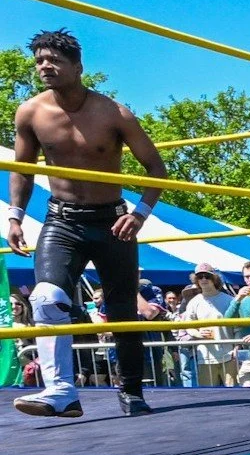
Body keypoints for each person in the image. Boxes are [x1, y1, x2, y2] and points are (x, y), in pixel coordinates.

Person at [6, 28, 167, 417]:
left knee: (123, 309)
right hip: (61, 219)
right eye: (40, 61)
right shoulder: (31, 111)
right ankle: (61, 391)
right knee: (45, 297)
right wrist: (14, 216)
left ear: (78, 67)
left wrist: (138, 215)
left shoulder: (114, 113)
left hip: (113, 220)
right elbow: (22, 170)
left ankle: (131, 391)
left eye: (55, 60)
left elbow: (155, 169)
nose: (45, 67)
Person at [183, 264, 238, 386]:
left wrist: (237, 347)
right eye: (199, 277)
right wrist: (198, 333)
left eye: (207, 276)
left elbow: (238, 327)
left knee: (234, 393)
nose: (203, 279)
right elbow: (188, 325)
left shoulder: (229, 300)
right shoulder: (194, 302)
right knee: (208, 394)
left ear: (215, 278)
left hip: (229, 357)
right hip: (205, 357)